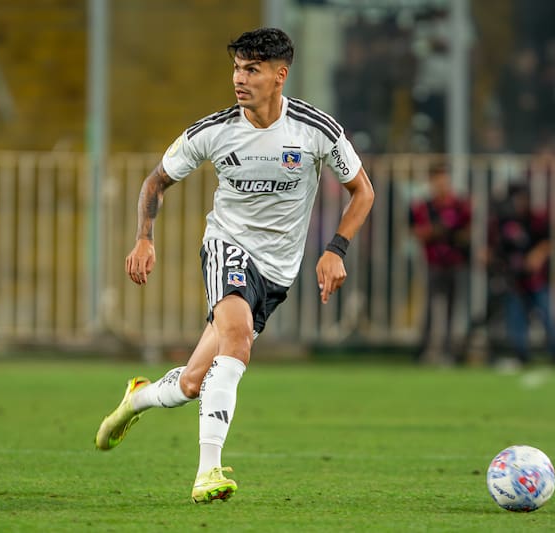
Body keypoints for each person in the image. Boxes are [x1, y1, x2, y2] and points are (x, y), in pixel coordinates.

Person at [93, 27, 374, 504]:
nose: (239, 79)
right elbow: (155, 183)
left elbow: (362, 190)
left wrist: (336, 249)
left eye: (252, 70)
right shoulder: (214, 131)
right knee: (238, 341)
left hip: (278, 272)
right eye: (237, 68)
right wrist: (144, 239)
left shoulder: (315, 129)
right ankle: (207, 473)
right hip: (228, 248)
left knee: (192, 382)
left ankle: (136, 398)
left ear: (280, 75)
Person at [490, 182, 555, 366]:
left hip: (535, 279)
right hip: (514, 279)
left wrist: (537, 255)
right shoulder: (505, 222)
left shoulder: (536, 219)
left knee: (546, 314)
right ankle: (521, 354)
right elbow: (498, 249)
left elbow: (548, 242)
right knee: (516, 317)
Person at [409, 164, 471, 363]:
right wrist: (438, 231)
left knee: (454, 308)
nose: (441, 184)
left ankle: (451, 351)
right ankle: (425, 349)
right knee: (429, 307)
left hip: (455, 262)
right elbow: (418, 232)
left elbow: (467, 233)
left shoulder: (460, 205)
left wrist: (450, 233)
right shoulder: (425, 207)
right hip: (433, 262)